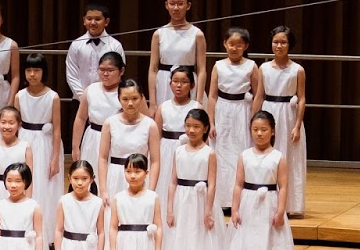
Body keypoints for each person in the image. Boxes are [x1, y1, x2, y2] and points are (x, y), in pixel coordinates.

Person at [224, 110, 297, 250]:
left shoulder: (278, 157)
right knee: (248, 248)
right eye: (255, 129)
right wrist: (235, 209)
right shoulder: (245, 156)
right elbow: (238, 184)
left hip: (269, 207)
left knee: (270, 247)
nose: (259, 134)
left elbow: (283, 186)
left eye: (264, 130)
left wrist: (280, 211)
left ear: (272, 131)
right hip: (249, 206)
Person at [166, 108, 223, 250]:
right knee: (181, 242)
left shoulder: (209, 153)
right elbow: (172, 181)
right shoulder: (178, 151)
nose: (191, 130)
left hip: (201, 201)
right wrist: (170, 208)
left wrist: (208, 211)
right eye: (188, 126)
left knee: (202, 243)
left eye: (196, 127)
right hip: (182, 200)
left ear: (205, 128)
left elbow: (213, 183)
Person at [208, 28, 261, 200]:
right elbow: (212, 95)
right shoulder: (218, 66)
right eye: (231, 44)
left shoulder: (251, 66)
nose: (234, 48)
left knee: (241, 151)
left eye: (239, 45)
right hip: (223, 109)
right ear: (225, 44)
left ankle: (240, 198)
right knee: (222, 153)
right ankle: (222, 199)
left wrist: (254, 119)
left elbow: (258, 94)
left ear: (245, 46)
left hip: (242, 111)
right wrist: (211, 121)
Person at [261, 25, 309, 217]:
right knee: (267, 156)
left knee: (290, 158)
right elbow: (258, 95)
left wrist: (297, 125)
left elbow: (302, 98)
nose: (279, 46)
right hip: (269, 111)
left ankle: (289, 204)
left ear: (290, 45)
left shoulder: (297, 70)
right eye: (276, 42)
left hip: (288, 116)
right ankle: (267, 202)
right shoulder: (263, 68)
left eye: (283, 42)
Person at [17, 54, 64, 244]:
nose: (32, 74)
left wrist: (54, 158)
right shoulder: (20, 95)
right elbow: (16, 123)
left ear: (43, 72)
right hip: (26, 140)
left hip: (45, 144)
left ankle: (47, 234)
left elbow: (58, 128)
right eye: (28, 70)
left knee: (46, 186)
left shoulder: (53, 97)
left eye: (36, 70)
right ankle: (25, 228)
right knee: (27, 183)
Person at [98, 79, 159, 201]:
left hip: (140, 176)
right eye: (125, 99)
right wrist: (103, 190)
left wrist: (151, 190)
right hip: (115, 176)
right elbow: (102, 158)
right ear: (119, 99)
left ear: (142, 98)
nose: (130, 103)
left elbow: (155, 161)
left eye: (135, 98)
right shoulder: (110, 123)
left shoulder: (150, 125)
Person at [147, 0, 208, 104]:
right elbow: (153, 69)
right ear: (166, 5)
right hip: (165, 83)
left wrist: (199, 99)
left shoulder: (197, 34)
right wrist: (153, 102)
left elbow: (202, 69)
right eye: (172, 3)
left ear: (188, 5)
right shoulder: (159, 34)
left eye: (180, 4)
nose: (176, 8)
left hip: (188, 82)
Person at [72, 51, 123, 186]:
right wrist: (75, 146)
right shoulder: (91, 90)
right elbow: (81, 118)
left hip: (117, 138)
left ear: (121, 71)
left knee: (112, 178)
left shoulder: (127, 91)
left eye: (110, 70)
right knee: (90, 176)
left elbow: (144, 118)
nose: (105, 74)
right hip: (93, 138)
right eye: (102, 70)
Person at [155, 65, 201, 196]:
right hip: (166, 150)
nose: (179, 85)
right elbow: (156, 136)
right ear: (170, 84)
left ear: (192, 85)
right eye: (175, 81)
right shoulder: (163, 107)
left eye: (184, 82)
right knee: (166, 181)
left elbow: (203, 137)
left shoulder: (197, 107)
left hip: (189, 149)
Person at [65, 3, 124, 102]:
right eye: (89, 19)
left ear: (106, 21)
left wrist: (105, 96)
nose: (92, 22)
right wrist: (83, 98)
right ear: (84, 20)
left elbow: (118, 74)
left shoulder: (115, 46)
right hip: (80, 100)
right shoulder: (76, 45)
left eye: (97, 19)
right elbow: (71, 75)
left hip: (108, 100)